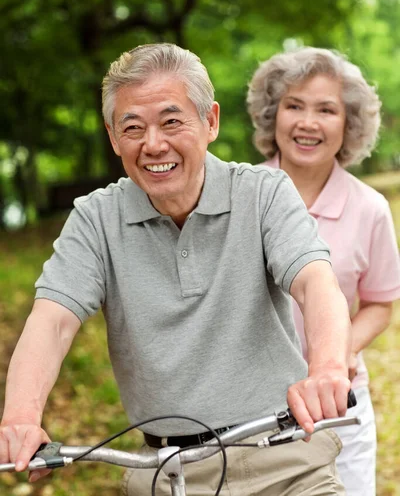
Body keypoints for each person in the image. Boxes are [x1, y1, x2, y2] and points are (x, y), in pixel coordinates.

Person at [0, 43, 352, 496]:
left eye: (171, 121)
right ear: (113, 137)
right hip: (170, 474)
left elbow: (315, 282)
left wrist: (326, 368)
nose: (153, 144)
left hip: (288, 456)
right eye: (133, 127)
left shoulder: (264, 194)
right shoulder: (95, 219)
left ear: (210, 122)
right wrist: (20, 419)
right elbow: (52, 322)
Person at [247, 46, 400, 496]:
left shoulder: (370, 208)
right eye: (294, 105)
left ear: (348, 125)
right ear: (272, 115)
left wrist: (334, 354)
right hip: (247, 409)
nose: (308, 122)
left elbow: (379, 304)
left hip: (339, 406)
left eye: (326, 110)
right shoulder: (238, 198)